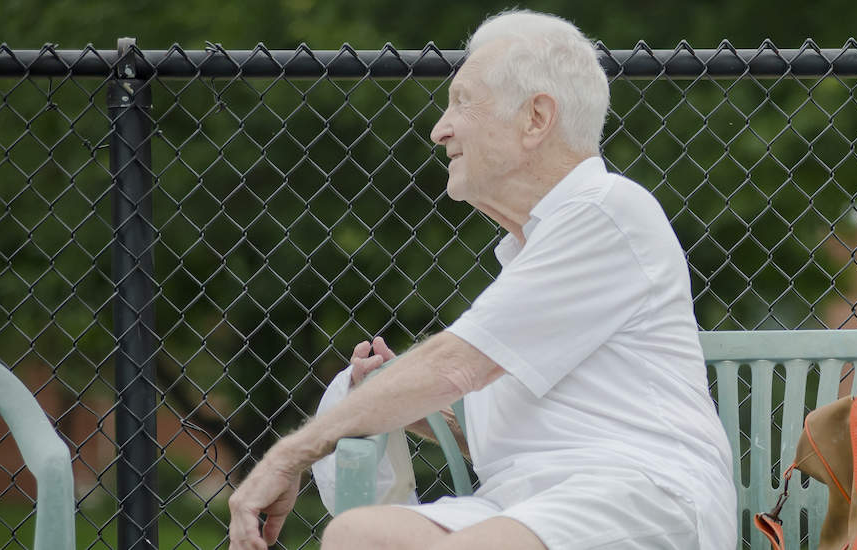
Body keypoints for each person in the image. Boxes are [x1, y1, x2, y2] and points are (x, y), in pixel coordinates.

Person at [226, 9, 737, 550]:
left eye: (462, 101)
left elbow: (456, 364)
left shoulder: (607, 212)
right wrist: (404, 401)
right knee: (358, 535)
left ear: (536, 118)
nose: (439, 128)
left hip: (642, 494)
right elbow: (534, 426)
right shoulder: (528, 252)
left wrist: (288, 456)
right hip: (524, 504)